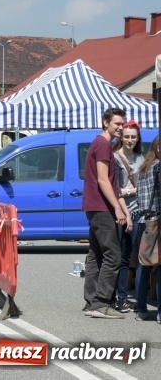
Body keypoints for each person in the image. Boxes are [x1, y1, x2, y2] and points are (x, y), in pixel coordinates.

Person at [82, 107, 129, 319]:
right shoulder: (102, 145)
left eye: (122, 123)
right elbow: (103, 180)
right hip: (101, 207)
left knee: (96, 254)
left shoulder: (100, 143)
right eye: (117, 123)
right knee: (113, 255)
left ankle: (92, 301)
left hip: (95, 207)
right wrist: (118, 208)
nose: (120, 127)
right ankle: (100, 302)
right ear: (105, 122)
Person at [112, 119, 143, 313]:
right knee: (123, 258)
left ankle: (139, 301)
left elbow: (145, 187)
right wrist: (126, 213)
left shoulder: (141, 158)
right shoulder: (115, 157)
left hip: (141, 212)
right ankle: (121, 297)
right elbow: (116, 190)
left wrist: (131, 191)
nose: (130, 140)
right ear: (121, 138)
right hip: (124, 213)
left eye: (133, 137)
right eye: (127, 137)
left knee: (140, 259)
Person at [134, 135, 161, 322]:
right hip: (157, 220)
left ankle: (141, 308)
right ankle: (160, 311)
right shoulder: (158, 166)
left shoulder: (145, 166)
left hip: (144, 220)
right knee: (159, 268)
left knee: (143, 266)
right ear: (157, 147)